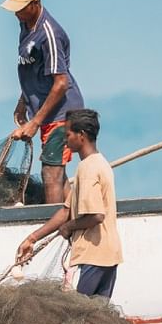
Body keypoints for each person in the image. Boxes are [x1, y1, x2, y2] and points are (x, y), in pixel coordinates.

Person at [16, 109, 122, 298]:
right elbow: (66, 210)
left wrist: (69, 227)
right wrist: (32, 239)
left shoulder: (88, 168)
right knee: (98, 320)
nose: (65, 140)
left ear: (81, 136)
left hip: (94, 256)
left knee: (78, 316)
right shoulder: (100, 163)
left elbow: (96, 216)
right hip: (108, 255)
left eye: (68, 135)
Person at [2, 0, 85, 205]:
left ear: (35, 2)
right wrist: (23, 103)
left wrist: (34, 122)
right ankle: (69, 223)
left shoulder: (49, 33)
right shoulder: (25, 26)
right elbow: (34, 71)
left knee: (51, 173)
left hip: (62, 114)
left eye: (20, 8)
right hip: (45, 113)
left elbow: (61, 83)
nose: (16, 13)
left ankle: (51, 229)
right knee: (58, 174)